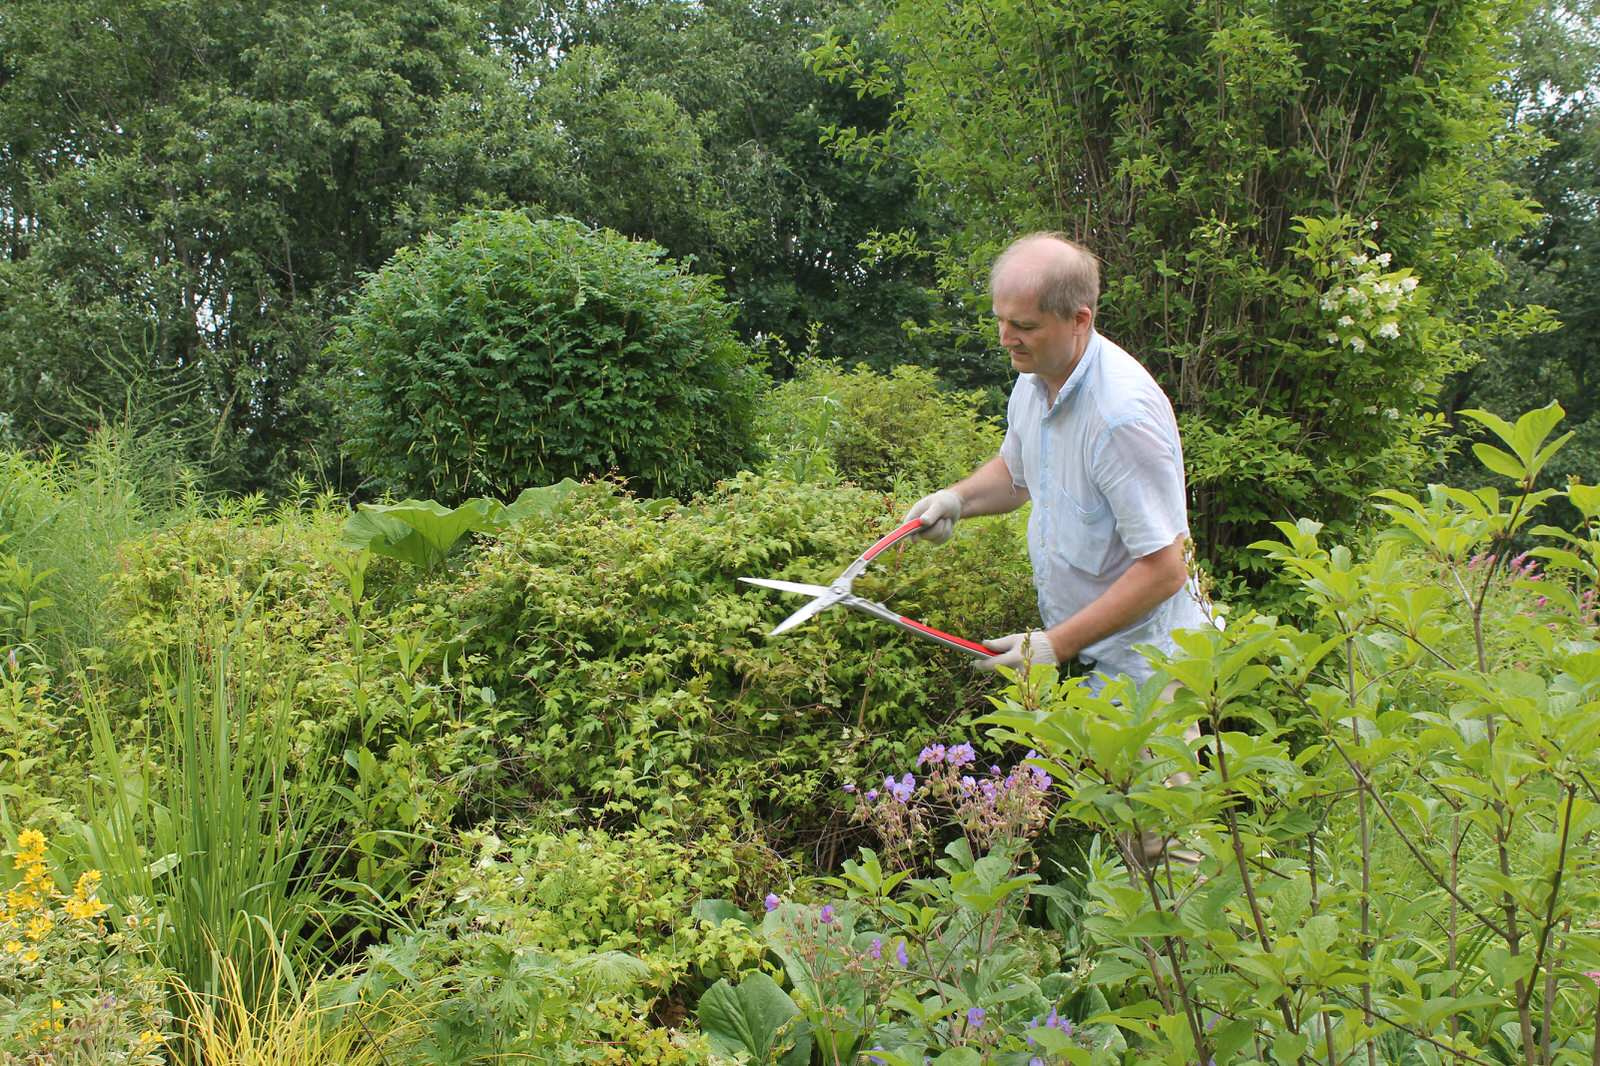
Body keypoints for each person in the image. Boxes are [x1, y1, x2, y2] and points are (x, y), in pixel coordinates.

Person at [905, 232, 1211, 691]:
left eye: (1024, 326)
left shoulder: (1119, 418)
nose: (1005, 339)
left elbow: (1167, 568)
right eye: (1000, 320)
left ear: (1079, 320)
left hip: (1149, 677)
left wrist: (1054, 645)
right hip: (1084, 664)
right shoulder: (1035, 380)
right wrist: (956, 500)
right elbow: (1016, 473)